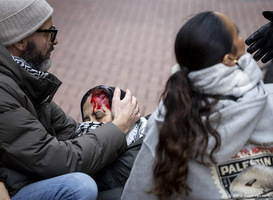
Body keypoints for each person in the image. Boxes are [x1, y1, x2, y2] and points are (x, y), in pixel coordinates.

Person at [122, 11, 273, 200]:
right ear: (228, 59)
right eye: (237, 33)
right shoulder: (269, 103)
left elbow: (139, 191)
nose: (243, 37)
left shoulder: (170, 117)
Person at [0, 0, 140, 199]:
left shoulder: (24, 78)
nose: (55, 40)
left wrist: (132, 130)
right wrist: (119, 128)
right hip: (17, 188)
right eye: (48, 32)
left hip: (33, 176)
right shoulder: (4, 92)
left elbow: (70, 132)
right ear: (19, 41)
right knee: (80, 186)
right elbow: (58, 160)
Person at [78, 85, 147, 200]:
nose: (91, 124)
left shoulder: (146, 147)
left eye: (99, 116)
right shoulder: (84, 151)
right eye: (86, 121)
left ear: (125, 114)